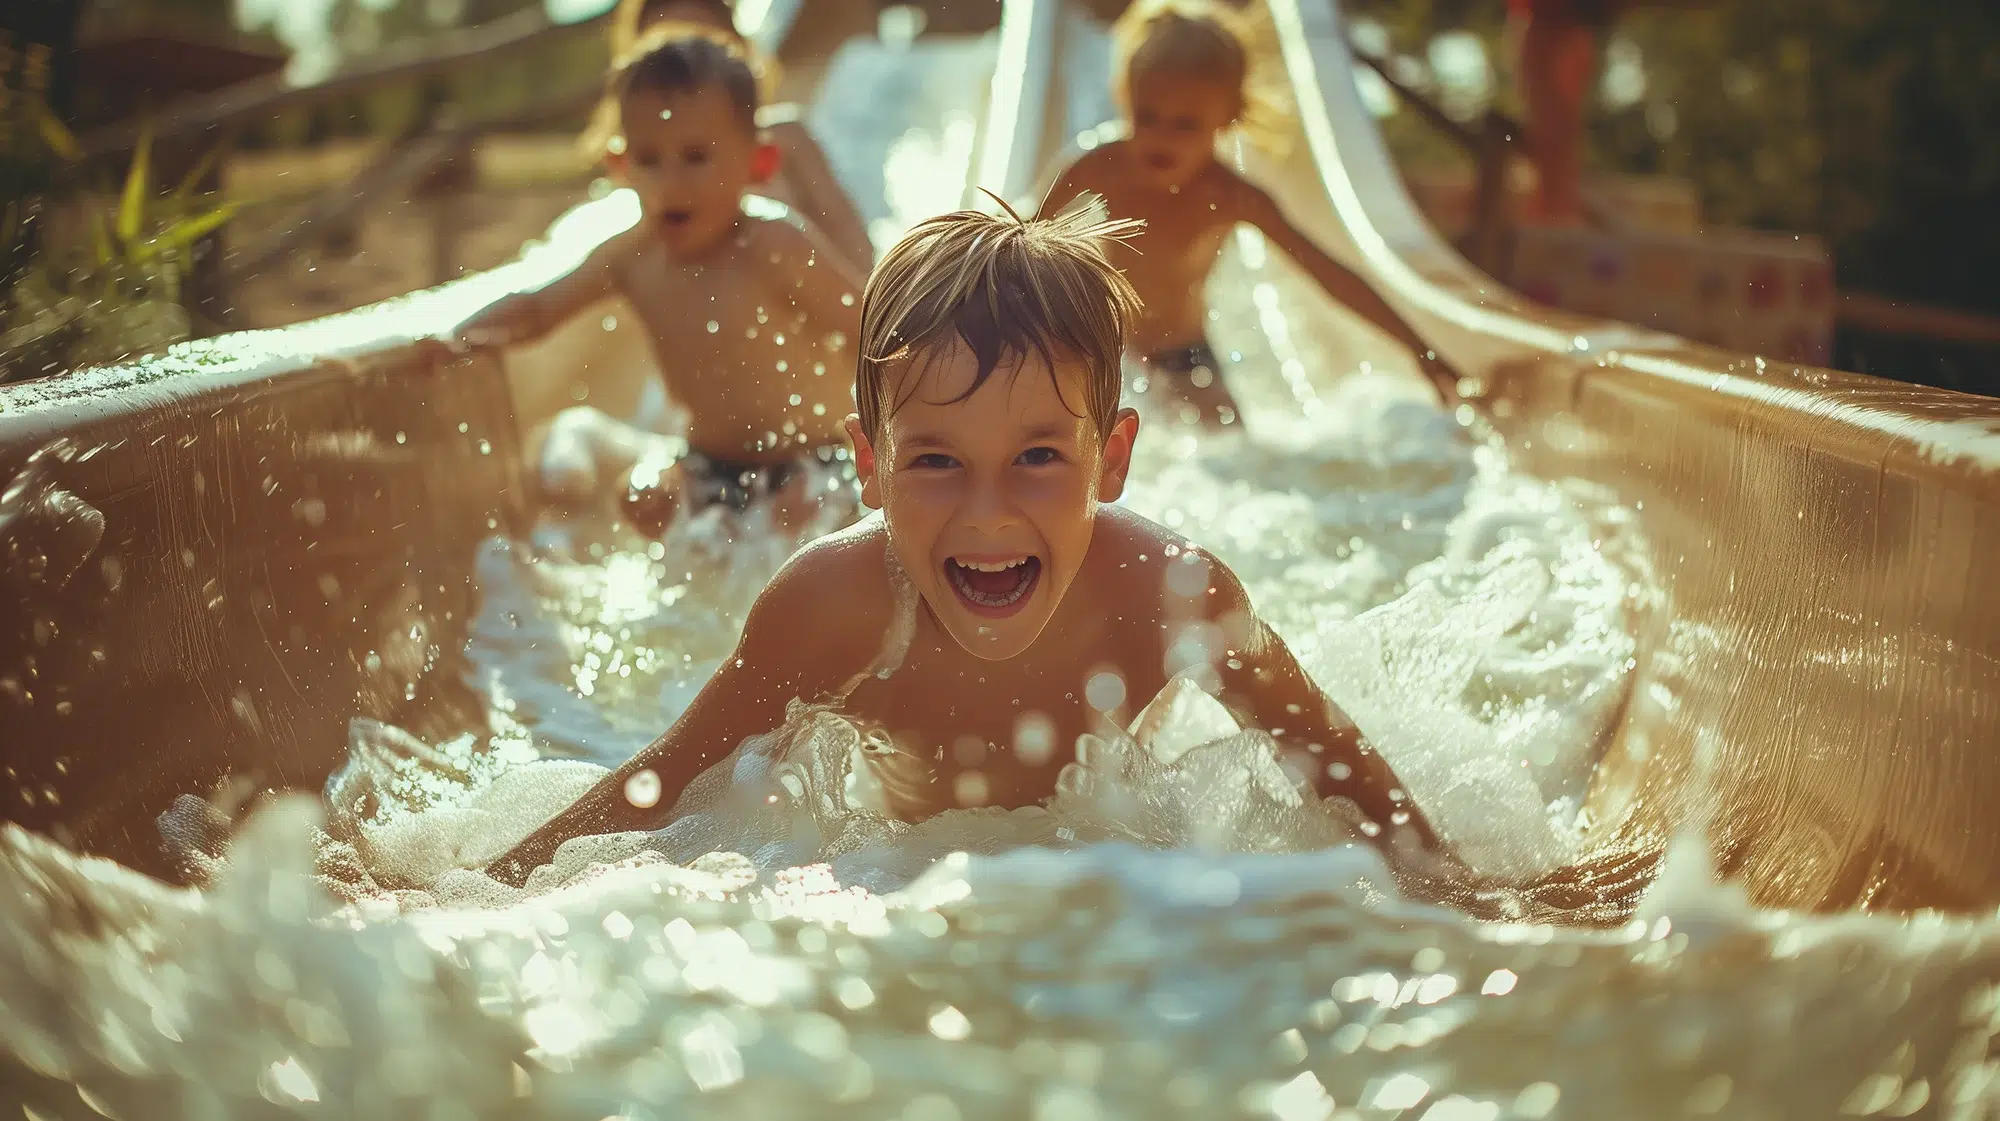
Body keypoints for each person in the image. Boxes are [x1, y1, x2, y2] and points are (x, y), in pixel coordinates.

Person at [484, 201, 1444, 886]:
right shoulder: (835, 605)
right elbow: (667, 780)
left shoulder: (1170, 593)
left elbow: (1323, 748)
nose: (987, 513)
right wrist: (488, 886)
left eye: (1036, 456)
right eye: (936, 461)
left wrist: (1462, 889)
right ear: (868, 465)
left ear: (1111, 460)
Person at [447, 28, 865, 536]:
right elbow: (538, 310)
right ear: (621, 167)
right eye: (649, 159)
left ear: (758, 162)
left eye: (695, 157)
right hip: (706, 461)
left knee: (801, 512)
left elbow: (867, 330)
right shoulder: (633, 255)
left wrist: (884, 438)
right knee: (642, 497)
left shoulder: (772, 245)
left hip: (813, 455)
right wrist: (459, 340)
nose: (671, 182)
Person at [1042, 0, 1461, 428]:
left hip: (1183, 354)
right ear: (1125, 99)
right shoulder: (1101, 167)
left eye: (1186, 124)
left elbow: (1328, 273)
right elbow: (1023, 232)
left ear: (1227, 118)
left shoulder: (1230, 196)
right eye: (1146, 116)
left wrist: (1418, 348)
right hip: (1102, 344)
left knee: (1228, 440)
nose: (1161, 137)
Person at [608, 0, 875, 272]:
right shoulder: (634, 175)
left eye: (702, 43)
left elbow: (851, 240)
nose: (684, 64)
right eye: (667, 48)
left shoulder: (785, 139)